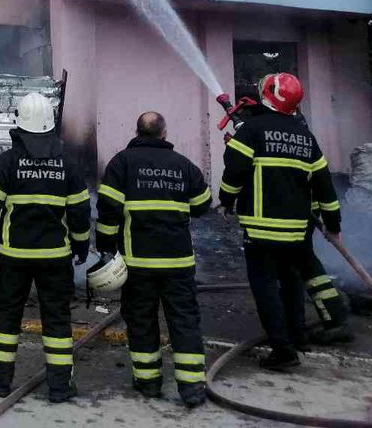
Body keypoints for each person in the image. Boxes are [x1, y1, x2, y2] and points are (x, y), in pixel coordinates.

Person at [0, 92, 91, 402]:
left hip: (13, 259)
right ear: (50, 127)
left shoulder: (6, 163)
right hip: (55, 259)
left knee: (7, 320)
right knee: (57, 322)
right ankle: (60, 387)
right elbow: (79, 212)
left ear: (18, 126)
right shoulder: (67, 165)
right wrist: (81, 245)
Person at [219, 73, 341, 371]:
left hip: (260, 230)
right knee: (291, 282)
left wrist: (226, 202)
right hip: (297, 230)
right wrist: (333, 224)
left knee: (265, 289)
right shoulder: (304, 136)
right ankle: (298, 336)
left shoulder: (252, 129)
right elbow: (325, 185)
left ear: (269, 95)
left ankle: (283, 352)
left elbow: (234, 172)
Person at [96, 111, 212, 407]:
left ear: (136, 132)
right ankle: (192, 387)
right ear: (164, 134)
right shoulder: (183, 165)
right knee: (184, 320)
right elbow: (202, 205)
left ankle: (148, 382)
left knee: (142, 320)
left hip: (139, 264)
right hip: (178, 263)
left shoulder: (122, 163)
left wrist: (106, 248)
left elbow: (108, 211)